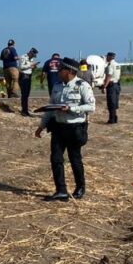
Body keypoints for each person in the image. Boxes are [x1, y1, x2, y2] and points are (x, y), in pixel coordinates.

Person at [35, 57, 95, 201]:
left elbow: (91, 107)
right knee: (56, 159)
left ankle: (80, 188)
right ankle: (61, 190)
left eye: (60, 69)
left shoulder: (82, 85)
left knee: (75, 159)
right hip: (58, 127)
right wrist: (41, 126)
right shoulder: (57, 86)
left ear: (68, 71)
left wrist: (71, 108)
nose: (57, 71)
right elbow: (50, 108)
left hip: (75, 127)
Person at [18, 47, 39, 116]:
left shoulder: (31, 59)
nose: (33, 57)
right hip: (24, 76)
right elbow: (21, 67)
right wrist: (31, 65)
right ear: (30, 53)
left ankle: (25, 109)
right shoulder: (23, 57)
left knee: (27, 94)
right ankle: (24, 110)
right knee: (24, 94)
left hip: (29, 76)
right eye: (33, 55)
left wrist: (34, 67)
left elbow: (30, 68)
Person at [104, 51, 121, 124]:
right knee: (115, 102)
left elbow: (109, 76)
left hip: (111, 85)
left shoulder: (110, 65)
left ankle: (112, 119)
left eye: (107, 56)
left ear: (110, 57)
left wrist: (104, 86)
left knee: (111, 103)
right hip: (117, 84)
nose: (106, 58)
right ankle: (115, 117)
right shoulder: (118, 65)